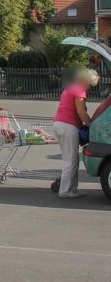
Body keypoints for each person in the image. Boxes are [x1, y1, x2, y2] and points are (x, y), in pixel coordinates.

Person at [52, 67, 98, 198]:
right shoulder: (79, 91)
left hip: (60, 124)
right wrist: (92, 125)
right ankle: (65, 191)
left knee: (72, 159)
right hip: (68, 126)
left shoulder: (70, 88)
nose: (90, 87)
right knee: (70, 161)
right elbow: (81, 113)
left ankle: (72, 189)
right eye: (91, 84)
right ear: (86, 81)